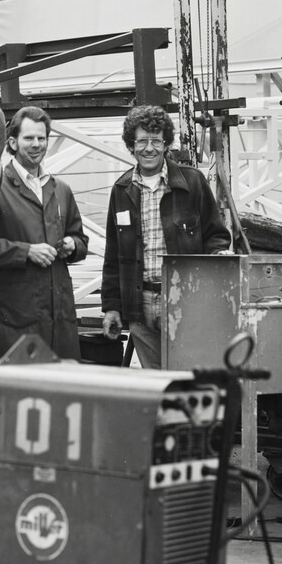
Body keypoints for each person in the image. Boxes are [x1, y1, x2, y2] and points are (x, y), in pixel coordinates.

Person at [100, 104, 232, 369]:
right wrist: (112, 307)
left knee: (190, 378)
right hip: (140, 305)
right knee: (156, 385)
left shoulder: (192, 182)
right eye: (141, 141)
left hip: (184, 299)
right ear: (131, 145)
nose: (149, 148)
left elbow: (216, 236)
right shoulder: (121, 189)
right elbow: (114, 255)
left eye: (156, 141)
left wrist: (217, 261)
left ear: (166, 143)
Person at [0, 105, 88, 359]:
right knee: (20, 394)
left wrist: (73, 245)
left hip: (60, 317)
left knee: (63, 392)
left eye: (41, 138)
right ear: (13, 142)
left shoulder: (60, 189)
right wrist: (26, 252)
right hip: (17, 319)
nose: (36, 144)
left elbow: (81, 239)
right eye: (29, 138)